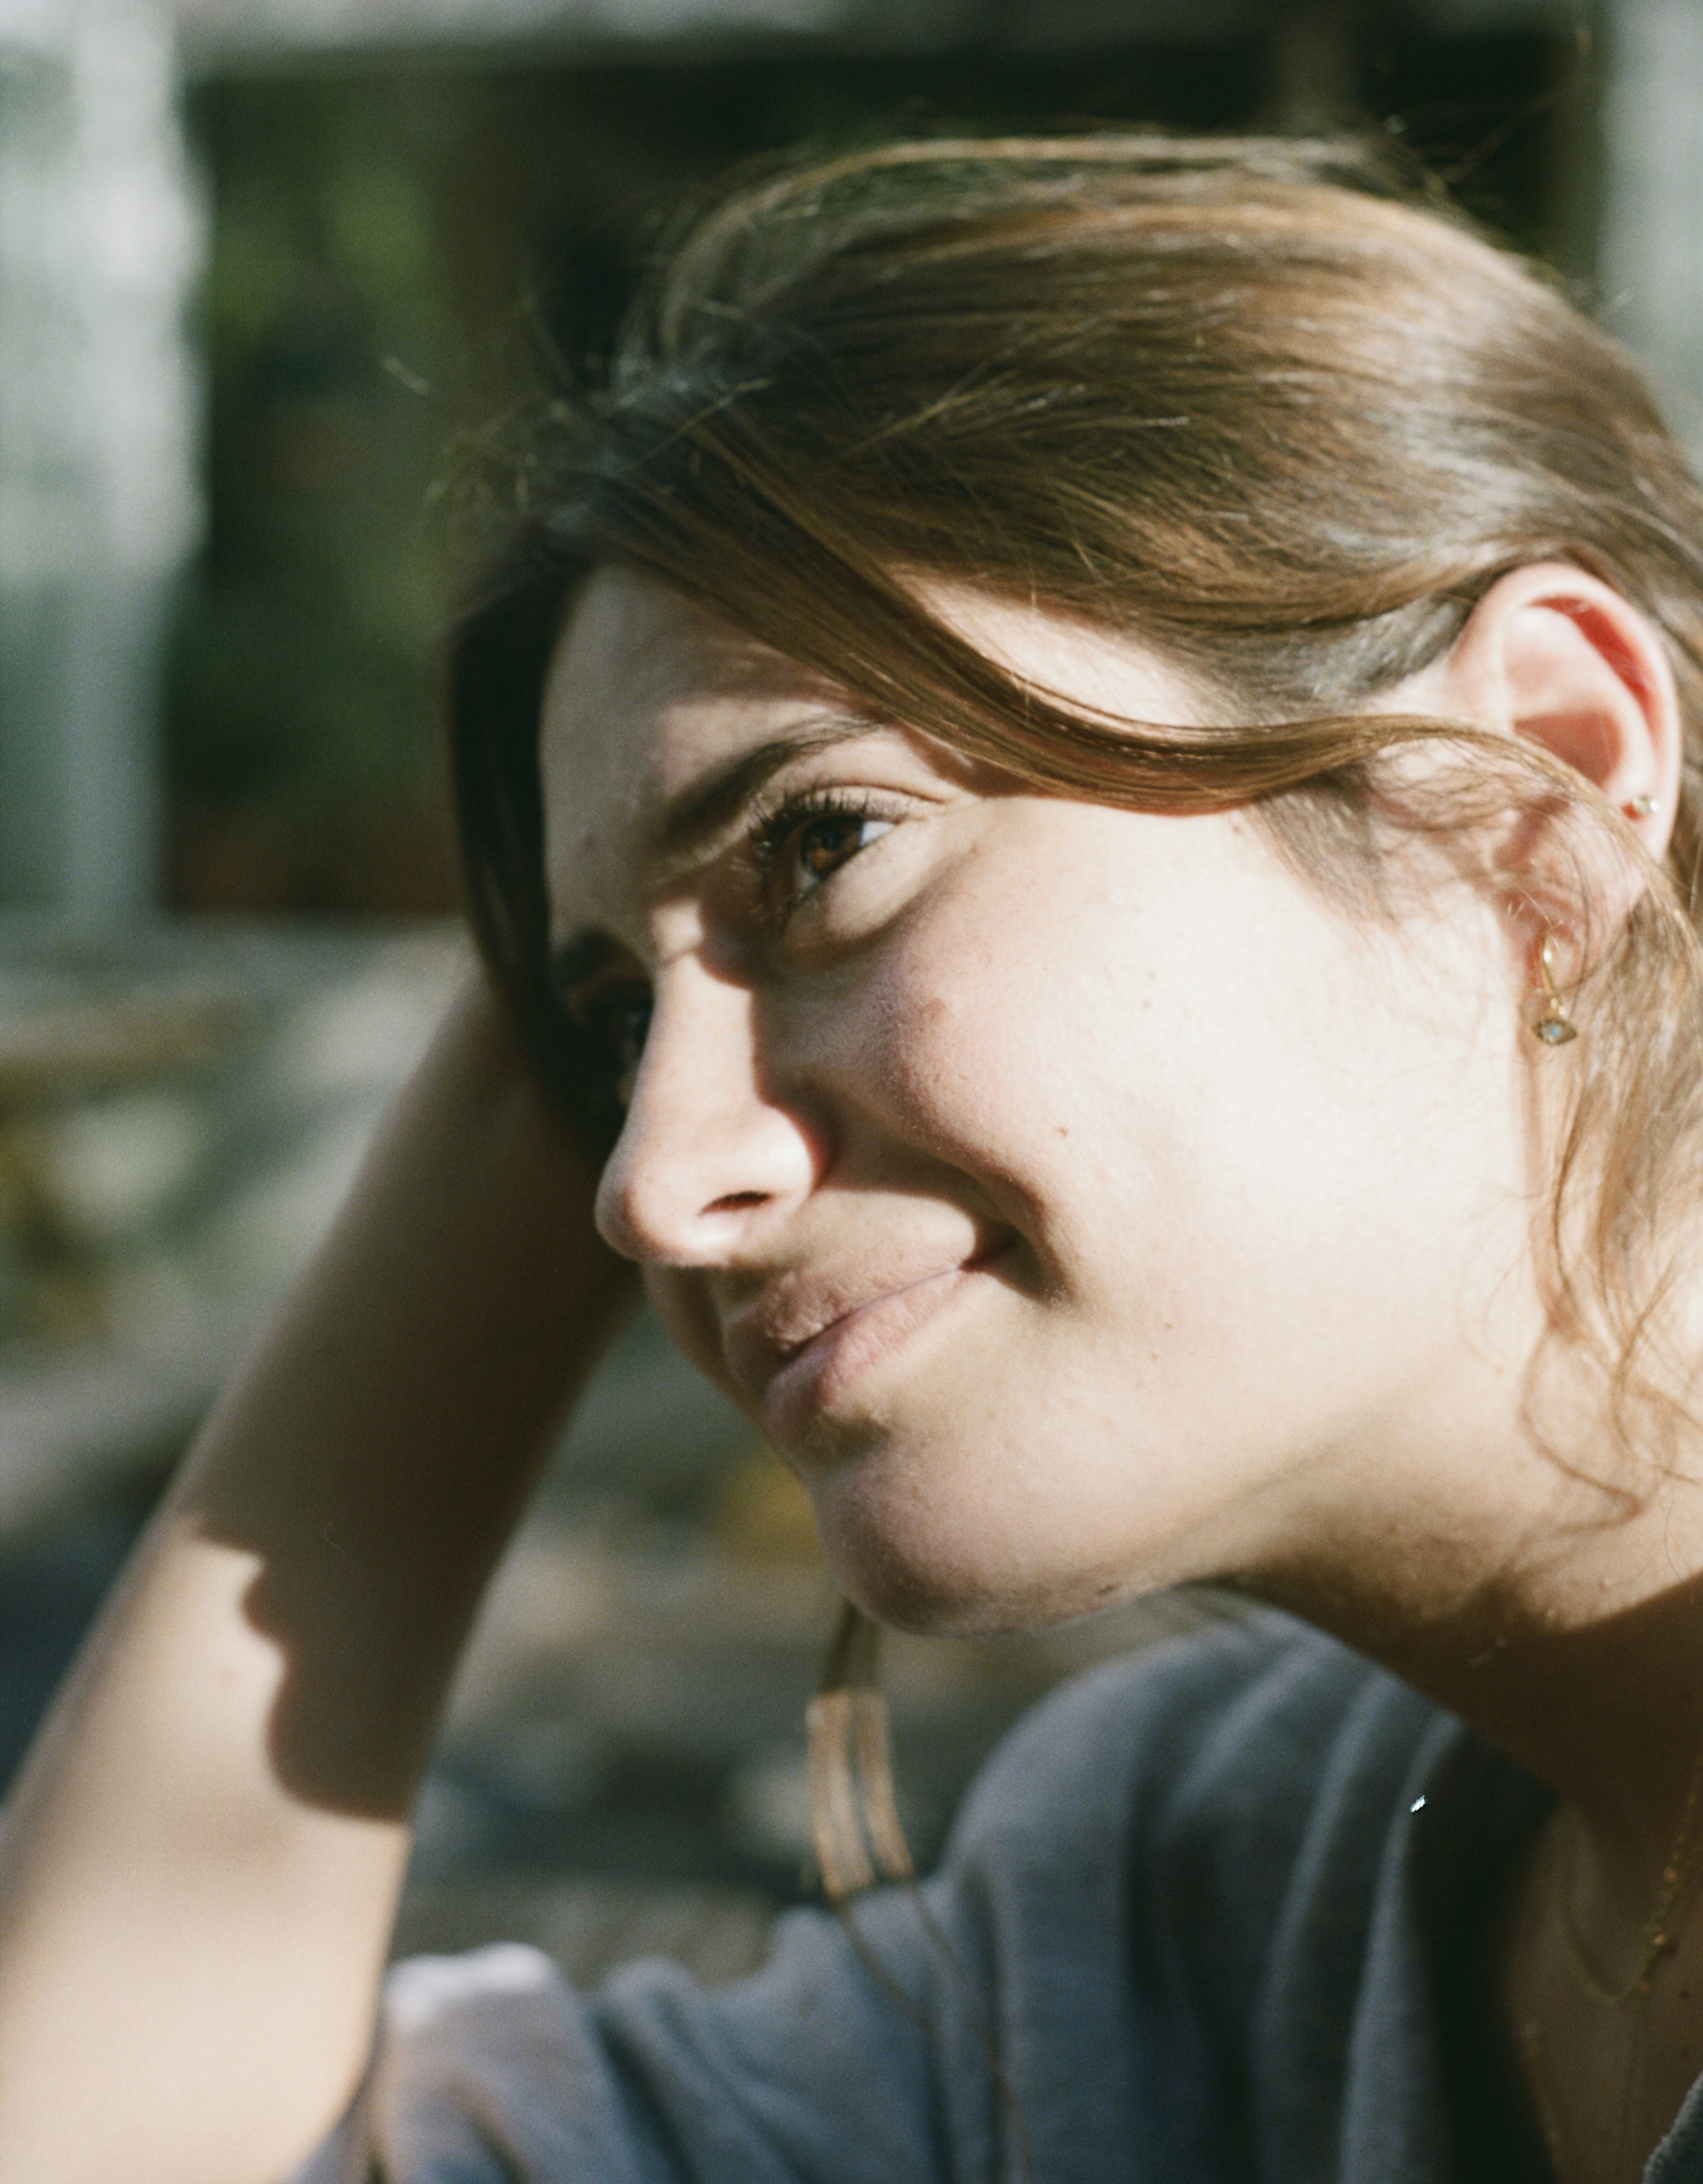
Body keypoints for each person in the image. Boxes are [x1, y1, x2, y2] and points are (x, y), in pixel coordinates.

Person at [2, 131, 1703, 2184]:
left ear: (1533, 781)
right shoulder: (1186, 1895)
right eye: (607, 1025)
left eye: (827, 842)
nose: (639, 1183)